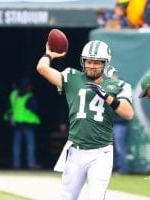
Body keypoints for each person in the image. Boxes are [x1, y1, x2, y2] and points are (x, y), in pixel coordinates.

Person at [36, 40, 134, 199]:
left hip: (102, 152)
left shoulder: (119, 85)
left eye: (96, 62)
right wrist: (49, 54)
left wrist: (106, 97)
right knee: (67, 197)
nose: (92, 65)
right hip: (76, 149)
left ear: (105, 63)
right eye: (89, 61)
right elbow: (42, 68)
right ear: (83, 61)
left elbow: (128, 113)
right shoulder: (72, 77)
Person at [5, 78, 41, 169]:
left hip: (17, 123)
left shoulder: (14, 95)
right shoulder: (29, 96)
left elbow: (9, 107)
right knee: (30, 145)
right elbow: (36, 109)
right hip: (28, 124)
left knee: (16, 145)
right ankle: (31, 163)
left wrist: (9, 118)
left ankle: (16, 163)